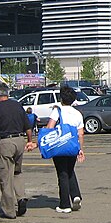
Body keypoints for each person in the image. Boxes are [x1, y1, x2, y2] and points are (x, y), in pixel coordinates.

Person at [0, 83, 35, 219]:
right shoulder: (18, 105)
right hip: (19, 140)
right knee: (17, 171)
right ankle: (21, 197)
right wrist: (29, 141)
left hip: (5, 142)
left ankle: (9, 210)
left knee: (5, 177)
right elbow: (28, 126)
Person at [45, 85, 85, 213]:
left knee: (62, 173)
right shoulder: (78, 113)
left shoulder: (57, 110)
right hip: (73, 145)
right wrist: (81, 149)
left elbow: (50, 127)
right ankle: (76, 195)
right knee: (70, 170)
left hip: (60, 145)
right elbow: (81, 133)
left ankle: (64, 204)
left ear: (61, 98)